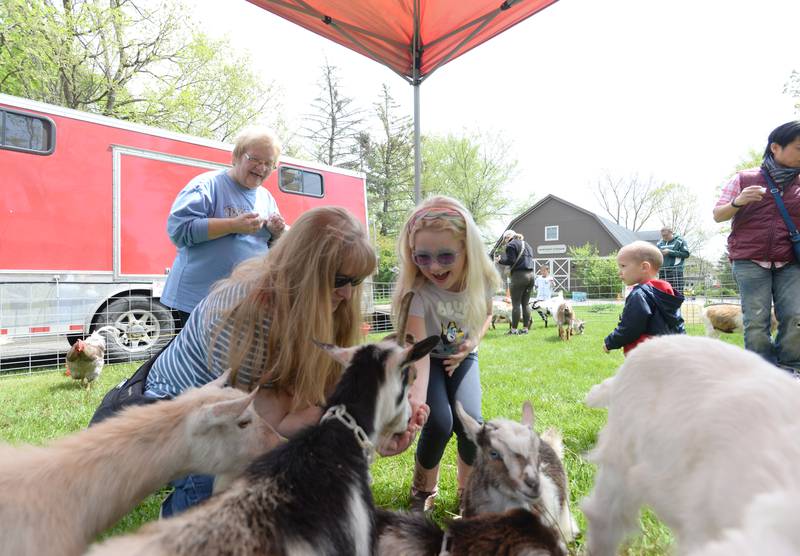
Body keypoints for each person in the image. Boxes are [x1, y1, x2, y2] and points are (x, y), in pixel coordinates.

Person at [142, 206, 416, 516]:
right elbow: (257, 424)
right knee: (219, 494)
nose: (347, 294)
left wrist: (376, 431)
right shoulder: (242, 311)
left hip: (257, 403)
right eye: (339, 279)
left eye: (357, 280)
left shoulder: (325, 304)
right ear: (304, 270)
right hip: (186, 407)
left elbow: (317, 400)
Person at [393, 196, 502, 512]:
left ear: (467, 249)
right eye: (422, 257)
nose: (434, 267)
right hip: (431, 361)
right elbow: (421, 352)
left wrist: (471, 344)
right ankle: (423, 488)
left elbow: (487, 315)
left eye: (445, 256)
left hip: (464, 357)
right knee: (438, 420)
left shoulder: (481, 281)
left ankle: (467, 492)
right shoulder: (419, 294)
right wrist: (417, 399)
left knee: (472, 424)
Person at [161, 126, 287, 328]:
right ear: (236, 156)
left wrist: (277, 233)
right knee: (197, 359)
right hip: (197, 302)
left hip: (242, 303)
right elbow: (179, 230)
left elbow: (272, 247)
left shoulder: (266, 198)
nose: (261, 168)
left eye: (269, 163)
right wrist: (232, 225)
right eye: (254, 159)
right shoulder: (206, 185)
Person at [713, 120, 800, 372]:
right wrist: (738, 202)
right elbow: (718, 215)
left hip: (791, 261)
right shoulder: (744, 178)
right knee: (756, 321)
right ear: (775, 147)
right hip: (750, 260)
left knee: (795, 317)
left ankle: (790, 367)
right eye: (798, 147)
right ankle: (761, 369)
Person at [604, 240, 685, 356]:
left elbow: (630, 327)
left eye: (623, 266)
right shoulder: (666, 291)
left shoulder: (640, 294)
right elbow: (678, 322)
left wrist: (610, 342)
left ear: (644, 267)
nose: (619, 272)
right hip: (667, 352)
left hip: (644, 356)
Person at [495, 230, 535, 334]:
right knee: (525, 304)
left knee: (516, 304)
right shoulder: (527, 245)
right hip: (531, 275)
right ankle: (525, 329)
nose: (505, 242)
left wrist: (500, 261)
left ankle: (513, 330)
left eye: (505, 239)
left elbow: (511, 261)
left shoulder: (511, 245)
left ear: (508, 237)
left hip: (519, 276)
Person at [656, 226, 690, 296]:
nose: (664, 237)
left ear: (671, 232)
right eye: (662, 236)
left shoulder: (680, 241)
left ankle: (678, 307)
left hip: (676, 271)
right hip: (663, 271)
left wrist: (670, 252)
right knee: (663, 293)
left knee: (677, 293)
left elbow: (686, 254)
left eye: (665, 235)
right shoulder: (659, 243)